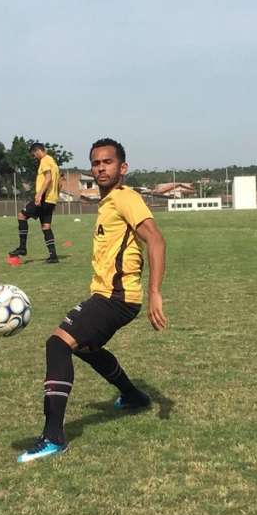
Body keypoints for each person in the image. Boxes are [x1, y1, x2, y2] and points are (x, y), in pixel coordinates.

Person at [17, 138, 167, 463]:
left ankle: (53, 436)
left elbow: (155, 239)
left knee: (57, 345)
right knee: (86, 348)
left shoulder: (125, 198)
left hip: (116, 297)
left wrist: (155, 291)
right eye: (95, 163)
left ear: (122, 168)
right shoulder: (107, 201)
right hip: (108, 295)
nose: (100, 168)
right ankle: (132, 396)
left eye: (107, 162)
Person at [8, 142, 61, 264]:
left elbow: (48, 179)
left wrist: (39, 194)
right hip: (51, 200)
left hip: (44, 198)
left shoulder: (45, 161)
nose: (34, 157)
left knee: (21, 215)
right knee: (46, 226)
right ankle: (53, 256)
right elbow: (59, 184)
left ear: (38, 151)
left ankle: (22, 248)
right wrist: (55, 197)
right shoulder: (54, 163)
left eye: (34, 155)